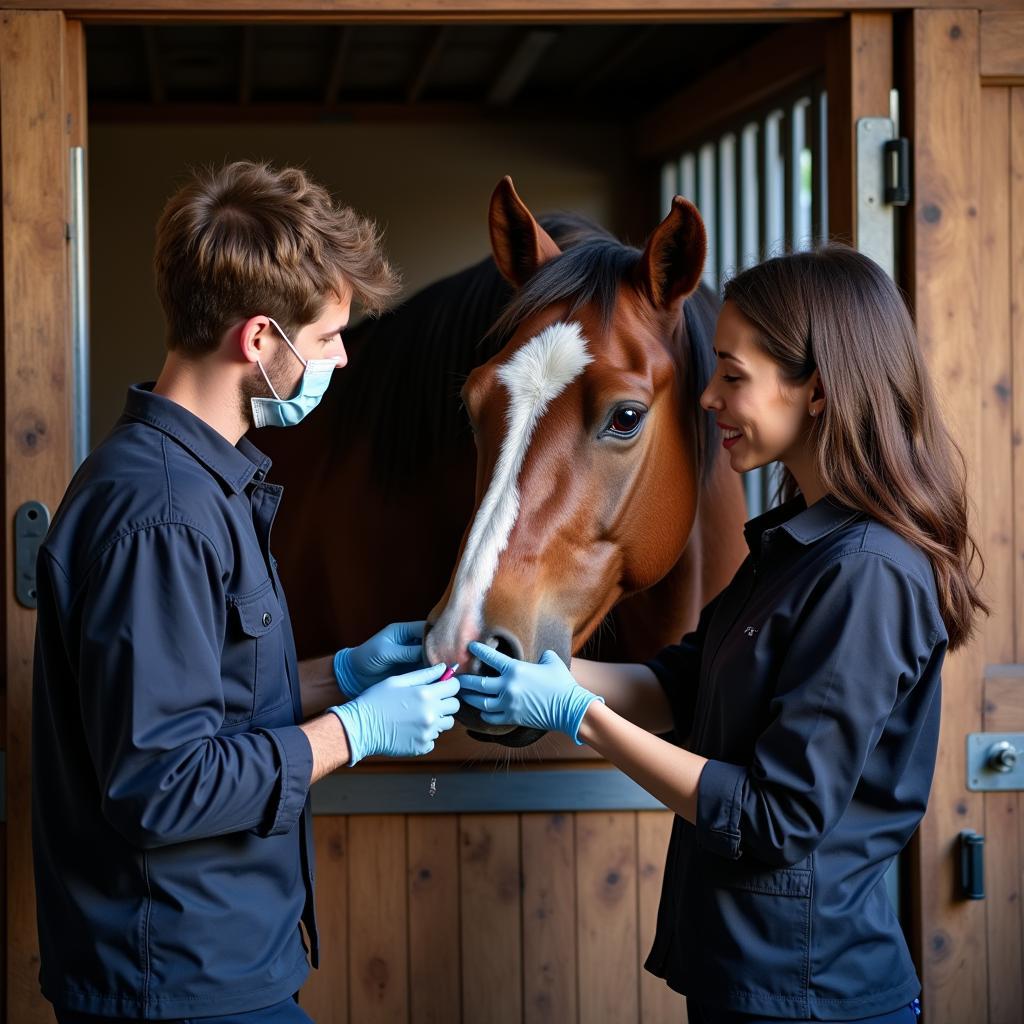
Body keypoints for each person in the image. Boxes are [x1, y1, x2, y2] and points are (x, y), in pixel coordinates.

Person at [459, 245, 986, 1023]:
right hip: (747, 987)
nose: (706, 397)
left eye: (732, 376)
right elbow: (679, 685)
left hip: (812, 1001)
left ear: (815, 391)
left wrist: (576, 717)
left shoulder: (868, 574)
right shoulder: (789, 547)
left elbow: (778, 817)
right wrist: (534, 668)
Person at [31, 161, 460, 1023]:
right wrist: (356, 733)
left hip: (222, 966)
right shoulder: (162, 514)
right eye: (333, 335)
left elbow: (201, 702)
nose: (343, 357)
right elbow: (162, 780)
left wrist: (345, 673)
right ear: (260, 339)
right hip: (176, 982)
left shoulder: (199, 486)